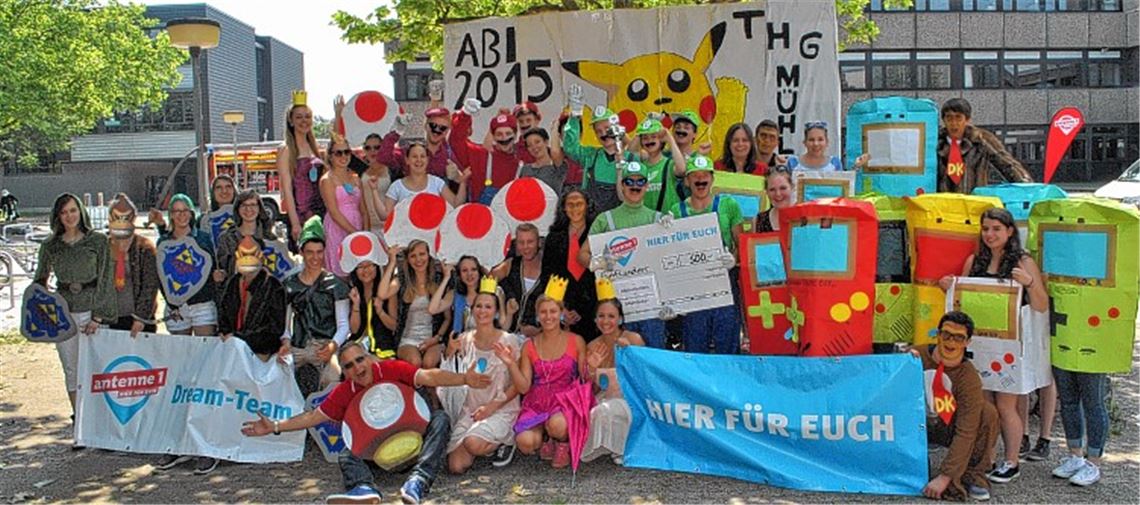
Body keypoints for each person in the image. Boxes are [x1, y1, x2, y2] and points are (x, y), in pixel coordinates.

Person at [241, 342, 493, 505]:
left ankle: (418, 482)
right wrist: (273, 426)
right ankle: (363, 489)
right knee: (346, 452)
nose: (357, 368)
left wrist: (465, 379)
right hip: (378, 458)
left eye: (360, 360)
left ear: (369, 358)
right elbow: (312, 417)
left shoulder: (391, 369)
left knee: (439, 419)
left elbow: (428, 376)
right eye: (349, 365)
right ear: (345, 372)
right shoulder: (344, 391)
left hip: (416, 449)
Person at [938, 207, 1050, 485]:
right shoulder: (974, 260)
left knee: (1005, 405)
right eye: (986, 228)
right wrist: (948, 286)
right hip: (979, 345)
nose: (990, 234)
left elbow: (1041, 305)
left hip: (1008, 346)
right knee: (983, 404)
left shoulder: (1022, 262)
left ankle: (1012, 461)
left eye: (996, 229)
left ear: (1010, 231)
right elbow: (960, 298)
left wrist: (1031, 283)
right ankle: (984, 458)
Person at [34, 193, 115, 416]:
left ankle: (99, 421)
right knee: (71, 368)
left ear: (80, 211)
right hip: (64, 313)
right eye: (63, 212)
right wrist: (48, 311)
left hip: (92, 309)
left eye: (72, 210)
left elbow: (106, 278)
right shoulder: (51, 245)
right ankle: (79, 421)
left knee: (98, 368)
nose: (69, 216)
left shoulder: (97, 241)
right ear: (57, 216)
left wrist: (98, 316)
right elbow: (39, 281)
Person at [578, 161, 670, 348]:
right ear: (621, 185)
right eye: (629, 181)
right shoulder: (606, 219)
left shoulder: (659, 219)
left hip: (650, 306)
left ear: (647, 185)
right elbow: (582, 254)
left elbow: (670, 261)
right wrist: (596, 263)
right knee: (619, 361)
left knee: (653, 360)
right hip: (617, 307)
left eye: (640, 181)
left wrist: (673, 232)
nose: (635, 186)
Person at [911, 311, 1000, 502]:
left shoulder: (969, 378)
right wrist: (901, 363)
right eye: (946, 335)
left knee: (987, 413)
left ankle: (973, 474)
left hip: (947, 426)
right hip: (913, 425)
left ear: (967, 342)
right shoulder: (914, 356)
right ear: (938, 334)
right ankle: (910, 464)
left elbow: (967, 430)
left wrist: (946, 476)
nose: (951, 342)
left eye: (959, 338)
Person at [441, 277, 521, 474]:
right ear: (472, 309)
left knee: (473, 443)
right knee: (455, 466)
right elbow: (450, 375)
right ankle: (478, 438)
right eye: (478, 306)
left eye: (488, 306)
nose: (482, 311)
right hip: (471, 409)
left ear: (495, 311)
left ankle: (504, 441)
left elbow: (518, 385)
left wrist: (491, 407)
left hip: (500, 408)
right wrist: (450, 352)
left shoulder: (508, 340)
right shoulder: (465, 339)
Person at [498, 290, 587, 469]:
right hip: (537, 401)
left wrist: (591, 367)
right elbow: (523, 388)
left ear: (561, 313)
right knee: (525, 443)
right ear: (538, 316)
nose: (548, 317)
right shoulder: (529, 345)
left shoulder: (576, 341)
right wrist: (510, 364)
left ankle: (562, 441)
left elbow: (585, 380)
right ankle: (546, 437)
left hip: (565, 399)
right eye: (543, 312)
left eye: (553, 311)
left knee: (558, 425)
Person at [669, 155, 744, 353]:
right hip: (694, 288)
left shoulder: (729, 204)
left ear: (712, 178)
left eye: (705, 176)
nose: (700, 180)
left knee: (727, 342)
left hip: (725, 283)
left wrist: (734, 259)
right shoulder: (677, 210)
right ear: (687, 181)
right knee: (695, 344)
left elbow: (742, 243)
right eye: (695, 176)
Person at [283, 217, 351, 397]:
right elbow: (286, 322)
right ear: (302, 253)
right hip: (297, 345)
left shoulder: (335, 285)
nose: (315, 257)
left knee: (332, 379)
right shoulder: (290, 284)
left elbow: (344, 325)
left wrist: (332, 346)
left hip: (325, 344)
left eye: (319, 252)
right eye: (310, 252)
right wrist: (285, 341)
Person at [580, 287, 644, 464]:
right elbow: (591, 389)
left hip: (632, 397)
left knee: (610, 409)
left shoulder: (633, 339)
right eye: (601, 316)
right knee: (598, 409)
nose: (606, 321)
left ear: (620, 319)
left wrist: (629, 354)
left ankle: (623, 448)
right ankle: (609, 444)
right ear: (595, 319)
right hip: (605, 396)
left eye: (611, 316)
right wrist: (591, 369)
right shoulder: (592, 346)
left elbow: (645, 376)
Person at [379, 240, 449, 369]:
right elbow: (382, 294)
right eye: (413, 256)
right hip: (407, 340)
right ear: (408, 260)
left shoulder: (438, 279)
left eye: (422, 254)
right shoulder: (403, 280)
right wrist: (392, 262)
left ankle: (430, 389)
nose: (418, 260)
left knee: (429, 363)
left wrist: (437, 338)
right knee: (415, 362)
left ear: (429, 255)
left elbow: (447, 318)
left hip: (433, 338)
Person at [938, 98, 1032, 194]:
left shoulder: (981, 139)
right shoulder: (935, 142)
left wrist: (1027, 187)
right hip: (942, 203)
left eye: (958, 118)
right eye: (949, 118)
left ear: (967, 120)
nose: (954, 124)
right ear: (944, 121)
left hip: (975, 201)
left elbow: (1006, 163)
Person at [540, 188, 599, 342]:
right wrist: (561, 309)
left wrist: (588, 310)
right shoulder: (553, 238)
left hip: (592, 309)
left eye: (579, 204)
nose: (575, 208)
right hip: (562, 307)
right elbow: (547, 275)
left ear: (587, 206)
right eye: (570, 204)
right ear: (564, 208)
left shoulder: (598, 235)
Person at [156, 194, 218, 337]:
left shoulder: (203, 238)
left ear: (191, 213)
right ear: (171, 215)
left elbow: (212, 267)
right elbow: (161, 277)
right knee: (181, 354)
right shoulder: (164, 243)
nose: (181, 215)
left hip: (202, 304)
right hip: (176, 305)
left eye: (185, 210)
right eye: (177, 211)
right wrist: (171, 303)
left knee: (205, 352)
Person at [218, 235, 287, 361]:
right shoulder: (233, 282)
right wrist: (226, 333)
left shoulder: (273, 286)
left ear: (260, 256)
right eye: (243, 254)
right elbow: (223, 312)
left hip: (261, 353)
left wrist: (240, 338)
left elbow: (275, 328)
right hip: (233, 349)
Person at [563, 100, 635, 213]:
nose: (603, 134)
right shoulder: (591, 155)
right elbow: (570, 148)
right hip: (593, 221)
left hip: (620, 221)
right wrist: (575, 115)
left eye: (607, 128)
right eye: (598, 131)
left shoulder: (631, 158)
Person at [276, 93, 326, 249]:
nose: (304, 121)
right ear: (291, 120)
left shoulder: (314, 147)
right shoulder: (286, 150)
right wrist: (295, 223)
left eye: (307, 116)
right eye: (299, 117)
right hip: (302, 213)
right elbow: (287, 190)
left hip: (322, 211)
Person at [105, 193, 159, 337]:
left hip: (139, 321)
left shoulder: (145, 248)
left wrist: (141, 318)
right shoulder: (102, 247)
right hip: (108, 319)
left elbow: (150, 285)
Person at [1050, 362, 1111, 487]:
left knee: (1093, 404)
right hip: (1065, 350)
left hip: (1094, 353)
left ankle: (1093, 464)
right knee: (1068, 403)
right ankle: (1076, 457)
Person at [450, 100, 522, 205]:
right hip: (481, 218)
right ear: (493, 136)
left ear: (515, 135)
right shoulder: (480, 156)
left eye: (508, 133)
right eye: (499, 134)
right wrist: (464, 114)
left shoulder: (523, 160)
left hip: (510, 219)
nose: (504, 138)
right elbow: (456, 142)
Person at [321, 134, 369, 278]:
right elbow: (334, 212)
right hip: (338, 229)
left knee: (360, 271)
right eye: (338, 153)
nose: (343, 156)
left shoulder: (355, 178)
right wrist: (354, 232)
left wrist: (364, 233)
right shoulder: (326, 180)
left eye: (347, 152)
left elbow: (364, 209)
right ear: (330, 156)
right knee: (341, 271)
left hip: (358, 226)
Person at [344, 235, 398, 360]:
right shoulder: (353, 291)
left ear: (376, 267)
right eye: (361, 267)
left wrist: (380, 311)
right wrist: (356, 305)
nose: (366, 270)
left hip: (382, 348)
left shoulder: (387, 290)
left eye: (370, 265)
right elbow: (354, 329)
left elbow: (394, 326)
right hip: (357, 347)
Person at [376, 107, 456, 187]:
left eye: (442, 128)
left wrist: (457, 177)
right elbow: (383, 158)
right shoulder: (410, 152)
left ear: (447, 131)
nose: (437, 131)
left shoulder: (450, 156)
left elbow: (465, 180)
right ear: (425, 126)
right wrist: (396, 132)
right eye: (433, 125)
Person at [430, 255, 506, 336]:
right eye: (464, 270)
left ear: (479, 272)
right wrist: (446, 277)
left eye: (473, 269)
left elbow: (502, 323)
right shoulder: (455, 294)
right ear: (459, 275)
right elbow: (432, 309)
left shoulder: (495, 291)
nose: (469, 274)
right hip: (461, 342)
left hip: (489, 341)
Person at [214, 190, 276, 287]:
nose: (248, 209)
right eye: (244, 205)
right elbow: (223, 270)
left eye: (253, 205)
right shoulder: (226, 238)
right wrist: (220, 275)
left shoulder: (269, 238)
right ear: (237, 209)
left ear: (260, 208)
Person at [492, 223, 544, 337]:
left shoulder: (549, 269)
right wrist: (507, 293)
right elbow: (488, 281)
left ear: (539, 242)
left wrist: (540, 329)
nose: (525, 247)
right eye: (521, 242)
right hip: (508, 335)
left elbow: (558, 305)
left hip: (538, 338)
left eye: (530, 242)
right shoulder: (511, 264)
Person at [383, 143, 468, 209]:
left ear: (427, 160)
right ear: (407, 160)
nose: (419, 160)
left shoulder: (437, 183)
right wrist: (374, 190)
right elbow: (386, 215)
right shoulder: (396, 187)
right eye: (414, 156)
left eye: (422, 156)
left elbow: (456, 205)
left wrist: (463, 182)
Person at [627, 118, 685, 213]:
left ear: (661, 140)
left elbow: (682, 170)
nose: (649, 140)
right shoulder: (640, 168)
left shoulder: (669, 164)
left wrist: (669, 138)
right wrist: (639, 133)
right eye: (645, 138)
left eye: (654, 137)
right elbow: (629, 154)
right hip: (647, 222)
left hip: (668, 220)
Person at [786, 122, 868, 172]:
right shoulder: (793, 163)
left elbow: (842, 185)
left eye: (820, 139)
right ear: (804, 142)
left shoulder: (834, 163)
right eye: (811, 140)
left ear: (827, 142)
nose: (816, 144)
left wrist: (856, 166)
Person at [516, 127, 568, 196]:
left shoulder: (557, 167)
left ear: (546, 142)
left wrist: (555, 127)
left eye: (537, 142)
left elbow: (555, 152)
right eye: (529, 145)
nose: (534, 147)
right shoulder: (525, 169)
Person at [360, 133, 393, 234]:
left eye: (377, 147)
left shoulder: (392, 169)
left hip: (389, 225)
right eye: (368, 148)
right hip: (367, 225)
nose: (372, 151)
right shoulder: (359, 169)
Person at [753, 167, 796, 232]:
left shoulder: (804, 218)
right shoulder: (758, 221)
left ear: (792, 187)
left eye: (783, 188)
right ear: (766, 192)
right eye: (772, 190)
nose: (778, 194)